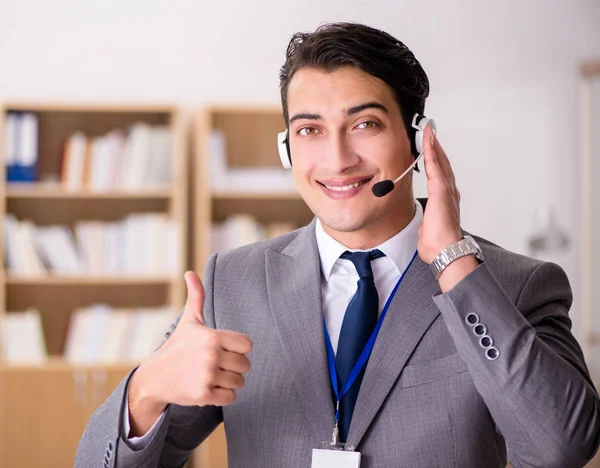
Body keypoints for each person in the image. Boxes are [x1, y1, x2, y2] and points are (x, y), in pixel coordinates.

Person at [75, 22, 600, 468]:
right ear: (286, 147)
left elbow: (561, 446)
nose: (337, 158)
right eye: (309, 131)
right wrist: (145, 390)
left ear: (420, 139)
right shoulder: (232, 285)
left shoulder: (514, 285)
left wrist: (454, 263)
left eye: (365, 124)